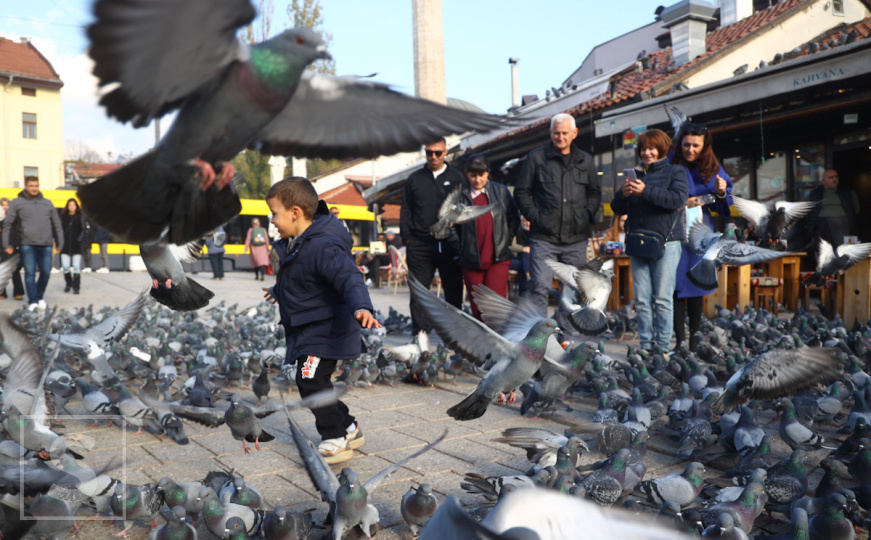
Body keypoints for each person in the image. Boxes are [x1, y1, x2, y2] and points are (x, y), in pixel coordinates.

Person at [264, 176, 381, 464]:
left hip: (326, 330)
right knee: (315, 382)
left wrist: (362, 307)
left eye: (274, 214)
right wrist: (278, 291)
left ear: (295, 212)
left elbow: (349, 277)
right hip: (311, 328)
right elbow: (303, 281)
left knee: (309, 380)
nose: (272, 221)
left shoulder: (323, 245)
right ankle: (349, 427)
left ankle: (335, 439)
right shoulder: (298, 243)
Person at [514, 113, 602, 326]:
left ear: (574, 134)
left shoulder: (586, 161)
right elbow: (521, 192)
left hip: (576, 237)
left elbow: (594, 193)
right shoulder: (536, 158)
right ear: (550, 133)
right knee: (539, 286)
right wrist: (537, 218)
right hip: (543, 237)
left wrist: (587, 216)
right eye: (556, 133)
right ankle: (538, 337)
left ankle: (566, 336)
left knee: (572, 289)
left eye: (564, 133)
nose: (560, 137)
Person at [610, 129, 689, 352]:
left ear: (662, 149)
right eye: (643, 149)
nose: (647, 153)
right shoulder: (634, 175)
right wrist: (623, 194)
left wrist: (645, 191)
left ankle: (663, 348)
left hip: (667, 241)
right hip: (638, 242)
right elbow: (617, 208)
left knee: (663, 298)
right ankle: (645, 345)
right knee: (642, 300)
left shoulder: (676, 172)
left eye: (652, 148)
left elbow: (677, 199)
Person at [670, 123, 733, 352]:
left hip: (700, 231)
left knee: (696, 285)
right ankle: (679, 340)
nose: (690, 149)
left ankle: (694, 339)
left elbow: (725, 203)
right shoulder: (671, 161)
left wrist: (720, 191)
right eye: (686, 144)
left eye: (696, 145)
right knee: (675, 286)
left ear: (704, 145)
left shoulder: (713, 165)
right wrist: (682, 201)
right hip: (675, 229)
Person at [400, 137, 465, 333]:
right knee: (419, 293)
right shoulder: (415, 179)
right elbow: (406, 210)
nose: (433, 156)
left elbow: (464, 210)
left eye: (438, 152)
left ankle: (455, 336)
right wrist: (407, 239)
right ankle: (420, 336)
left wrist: (461, 242)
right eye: (429, 152)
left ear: (446, 152)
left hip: (449, 243)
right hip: (420, 244)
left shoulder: (457, 178)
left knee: (453, 291)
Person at [455, 154, 519, 320]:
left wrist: (505, 240)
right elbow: (450, 227)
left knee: (497, 309)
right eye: (473, 175)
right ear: (466, 174)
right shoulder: (459, 196)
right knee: (478, 309)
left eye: (481, 174)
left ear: (488, 173)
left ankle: (498, 344)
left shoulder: (501, 191)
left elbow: (513, 218)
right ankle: (481, 345)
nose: (477, 179)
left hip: (498, 259)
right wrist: (460, 248)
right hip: (470, 260)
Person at [2, 177, 63, 310]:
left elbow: (56, 224)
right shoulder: (18, 203)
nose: (34, 188)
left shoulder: (47, 203)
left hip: (46, 244)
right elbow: (8, 224)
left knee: (46, 272)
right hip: (27, 244)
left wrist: (60, 243)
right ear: (25, 186)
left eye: (36, 185)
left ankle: (39, 296)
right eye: (31, 186)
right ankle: (33, 301)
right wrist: (6, 244)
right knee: (30, 273)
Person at [806, 169, 860, 250]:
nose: (834, 179)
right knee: (824, 251)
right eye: (830, 177)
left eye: (836, 177)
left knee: (844, 250)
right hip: (821, 225)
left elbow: (856, 208)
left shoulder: (847, 192)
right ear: (823, 180)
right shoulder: (815, 193)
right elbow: (808, 210)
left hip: (843, 225)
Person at [0, 197, 24, 300]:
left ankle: (18, 292)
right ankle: (2, 292)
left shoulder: (14, 219)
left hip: (12, 246)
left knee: (14, 269)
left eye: (7, 205)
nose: (5, 207)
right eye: (3, 205)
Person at [59, 198, 84, 295]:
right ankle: (69, 283)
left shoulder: (80, 217)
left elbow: (83, 231)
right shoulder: (63, 218)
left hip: (76, 246)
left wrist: (79, 240)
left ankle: (76, 287)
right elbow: (59, 231)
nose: (72, 207)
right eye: (70, 205)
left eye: (73, 205)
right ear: (67, 206)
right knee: (65, 266)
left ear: (76, 206)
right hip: (65, 246)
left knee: (76, 267)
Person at [509, 217, 531, 295]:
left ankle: (522, 294)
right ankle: (528, 278)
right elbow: (510, 245)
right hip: (514, 257)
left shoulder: (534, 232)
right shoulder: (517, 230)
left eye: (528, 221)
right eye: (524, 221)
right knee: (525, 260)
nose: (527, 223)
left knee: (524, 263)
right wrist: (523, 249)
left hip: (526, 260)